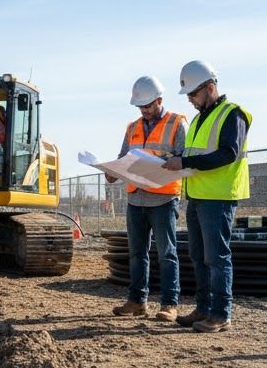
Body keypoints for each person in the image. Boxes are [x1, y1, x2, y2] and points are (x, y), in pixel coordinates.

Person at [163, 60, 252, 333]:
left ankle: (220, 313)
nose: (189, 100)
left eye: (193, 94)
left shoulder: (231, 114)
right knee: (199, 255)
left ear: (210, 88)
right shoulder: (201, 118)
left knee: (216, 257)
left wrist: (186, 162)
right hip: (198, 196)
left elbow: (228, 153)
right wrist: (177, 160)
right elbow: (196, 155)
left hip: (219, 198)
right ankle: (203, 309)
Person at [106, 75, 187, 321]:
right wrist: (112, 173)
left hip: (163, 198)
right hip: (136, 199)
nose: (144, 110)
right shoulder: (132, 127)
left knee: (166, 253)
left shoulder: (177, 123)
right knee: (136, 253)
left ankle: (169, 304)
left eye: (148, 106)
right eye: (140, 106)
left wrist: (163, 164)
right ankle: (137, 300)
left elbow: (185, 158)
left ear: (159, 100)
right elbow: (123, 157)